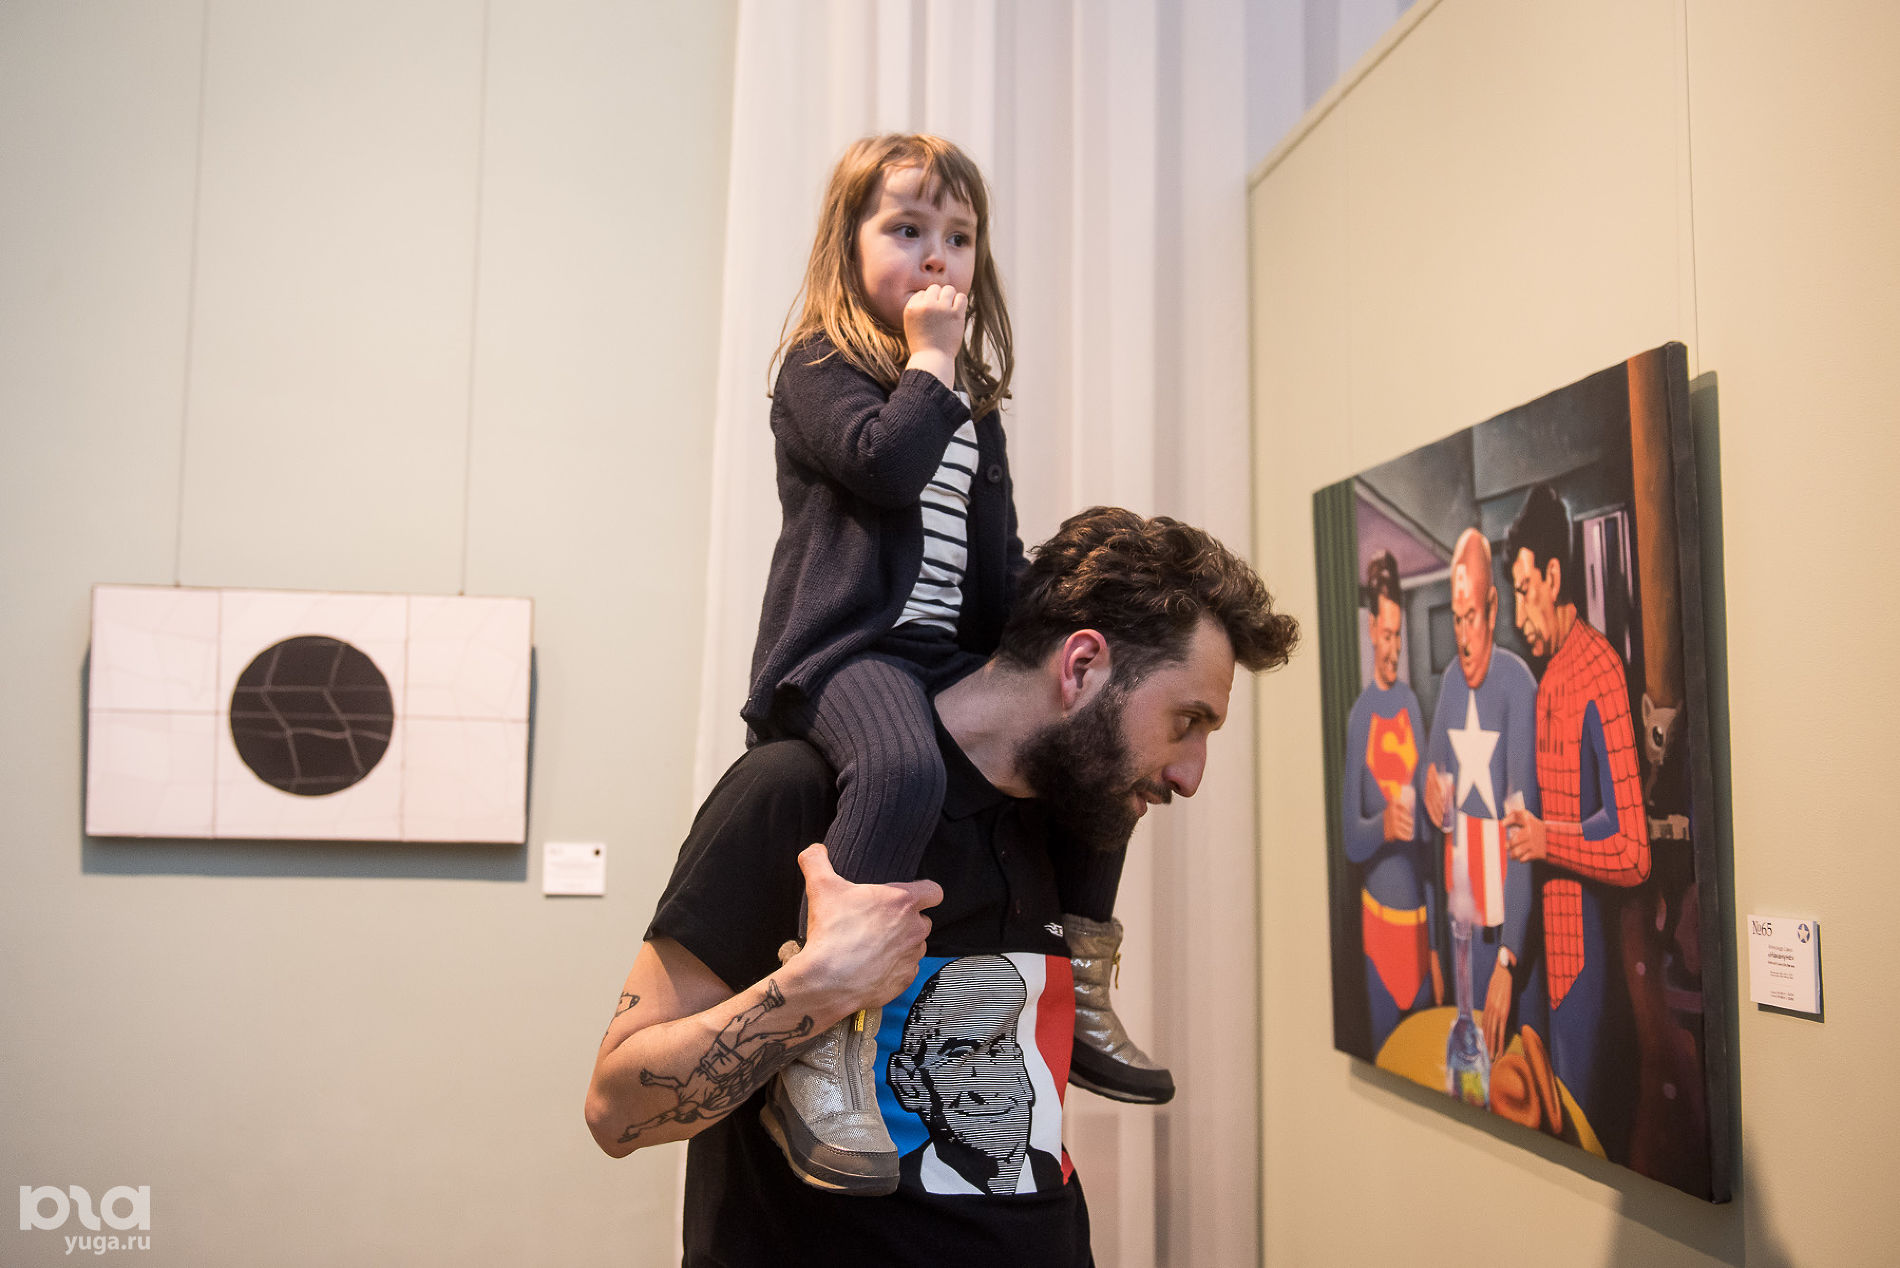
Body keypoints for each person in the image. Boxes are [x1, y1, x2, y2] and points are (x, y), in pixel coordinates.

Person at [585, 507, 1298, 1263]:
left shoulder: (1068, 827)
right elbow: (615, 1110)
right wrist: (816, 988)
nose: (1190, 776)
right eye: (1187, 721)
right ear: (1082, 666)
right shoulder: (798, 793)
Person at [744, 133, 1166, 1189]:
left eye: (960, 237)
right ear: (847, 246)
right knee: (901, 768)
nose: (938, 255)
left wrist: (1073, 627)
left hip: (947, 652)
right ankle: (823, 1044)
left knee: (1100, 743)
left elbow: (997, 556)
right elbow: (885, 467)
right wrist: (930, 359)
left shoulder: (970, 404)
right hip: (849, 654)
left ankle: (1082, 970)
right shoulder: (820, 368)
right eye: (907, 229)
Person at [1501, 483, 1650, 1148]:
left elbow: (1633, 848)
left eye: (1523, 589)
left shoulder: (1601, 670)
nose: (1517, 614)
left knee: (1589, 1142)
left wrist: (1546, 840)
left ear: (1555, 578)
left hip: (1588, 973)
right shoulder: (1545, 682)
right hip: (1541, 974)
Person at [1422, 529, 1538, 1060]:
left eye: (1472, 617)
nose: (1464, 638)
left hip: (1504, 928)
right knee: (1466, 1071)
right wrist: (1430, 789)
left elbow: (1522, 830)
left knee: (1511, 1066)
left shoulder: (1517, 684)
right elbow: (1433, 774)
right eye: (1456, 619)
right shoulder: (1450, 682)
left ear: (1492, 608)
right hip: (1461, 920)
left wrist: (1510, 959)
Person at [1341, 551, 1440, 1056]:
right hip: (1379, 926)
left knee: (1425, 1053)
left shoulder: (1411, 704)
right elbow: (1350, 838)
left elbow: (1427, 839)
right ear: (1371, 630)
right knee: (1389, 1055)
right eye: (1387, 635)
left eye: (1399, 636)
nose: (1395, 648)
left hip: (1420, 923)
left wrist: (1436, 945)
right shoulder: (1361, 716)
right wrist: (1384, 825)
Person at [887, 954, 1062, 1195]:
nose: (990, 1086)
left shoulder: (1052, 1174)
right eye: (961, 1055)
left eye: (1000, 1051)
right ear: (909, 1084)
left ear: (1024, 1075)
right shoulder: (887, 1183)